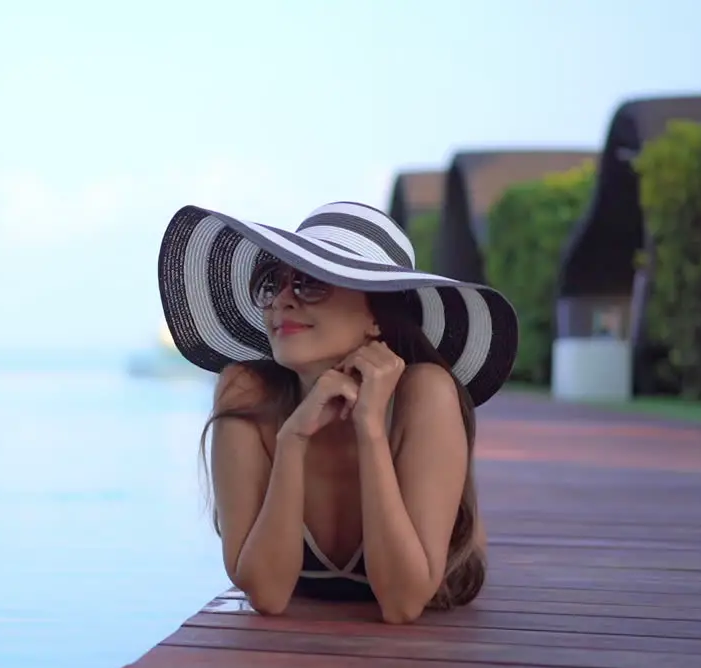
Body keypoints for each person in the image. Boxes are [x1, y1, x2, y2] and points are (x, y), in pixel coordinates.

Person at [155, 201, 520, 624]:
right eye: (273, 283)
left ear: (375, 316)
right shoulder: (244, 392)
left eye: (311, 283)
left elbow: (402, 604)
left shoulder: (425, 393)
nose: (283, 301)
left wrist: (370, 428)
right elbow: (268, 595)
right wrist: (292, 439)